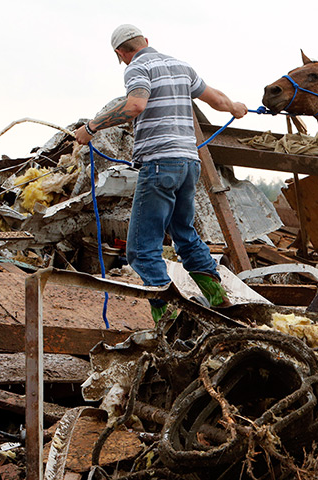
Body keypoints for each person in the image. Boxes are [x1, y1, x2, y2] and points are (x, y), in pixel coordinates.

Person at [75, 24, 248, 322]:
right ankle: (220, 302)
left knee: (141, 250)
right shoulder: (181, 66)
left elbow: (135, 104)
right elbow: (218, 101)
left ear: (120, 54)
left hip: (159, 164)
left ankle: (165, 321)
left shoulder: (137, 68)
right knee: (185, 235)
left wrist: (91, 128)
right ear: (146, 41)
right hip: (189, 164)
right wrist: (236, 107)